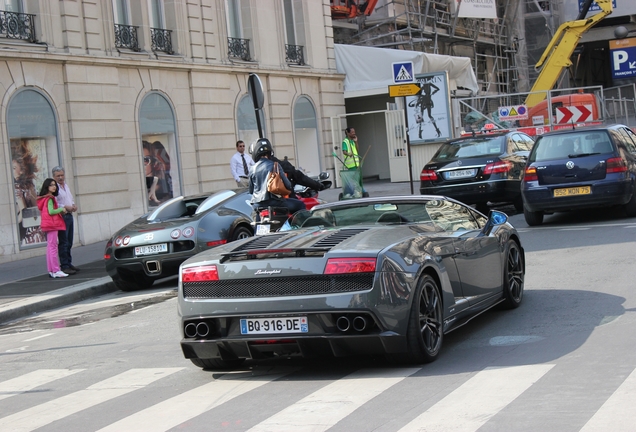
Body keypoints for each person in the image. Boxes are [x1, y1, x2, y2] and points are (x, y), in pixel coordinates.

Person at [249, 138, 305, 216]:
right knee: (300, 204)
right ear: (269, 153)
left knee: (257, 220)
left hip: (256, 204)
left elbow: (251, 191)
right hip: (274, 202)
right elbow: (288, 185)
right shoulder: (275, 165)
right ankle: (300, 228)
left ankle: (257, 228)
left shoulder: (252, 168)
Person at [37, 178, 69, 278]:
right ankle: (56, 270)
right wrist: (61, 209)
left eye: (54, 184)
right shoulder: (50, 198)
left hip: (48, 224)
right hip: (52, 224)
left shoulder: (43, 198)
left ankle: (51, 270)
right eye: (51, 185)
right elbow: (51, 211)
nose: (54, 186)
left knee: (50, 247)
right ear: (47, 187)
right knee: (53, 247)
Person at [12, 144, 44, 245]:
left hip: (27, 231)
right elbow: (35, 205)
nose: (12, 171)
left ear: (21, 170)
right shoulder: (29, 184)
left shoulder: (17, 187)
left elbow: (23, 213)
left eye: (13, 168)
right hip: (35, 229)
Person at [52, 166, 80, 275]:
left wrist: (73, 205)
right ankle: (64, 265)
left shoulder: (66, 186)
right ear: (54, 177)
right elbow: (55, 203)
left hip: (69, 215)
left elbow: (70, 198)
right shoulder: (55, 188)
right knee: (64, 242)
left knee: (69, 241)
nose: (60, 177)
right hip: (62, 215)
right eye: (58, 176)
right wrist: (65, 206)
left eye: (62, 175)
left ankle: (69, 262)